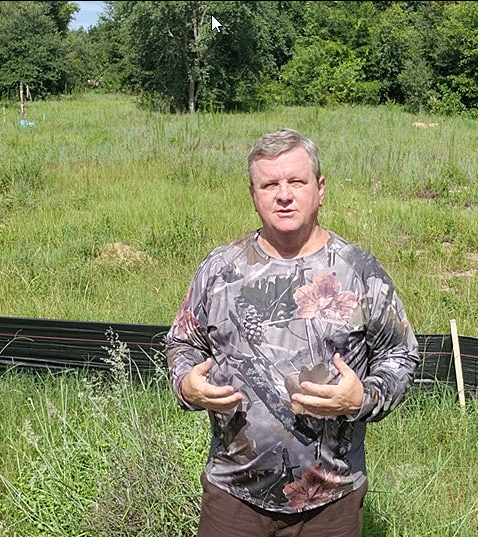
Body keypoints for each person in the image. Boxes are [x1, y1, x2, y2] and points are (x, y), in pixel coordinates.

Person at [165, 128, 420, 537]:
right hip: (234, 495)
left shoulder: (360, 271)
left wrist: (363, 398)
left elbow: (401, 356)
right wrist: (186, 384)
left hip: (331, 500)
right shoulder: (220, 269)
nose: (284, 195)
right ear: (253, 194)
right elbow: (182, 342)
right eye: (270, 184)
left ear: (320, 189)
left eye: (296, 182)